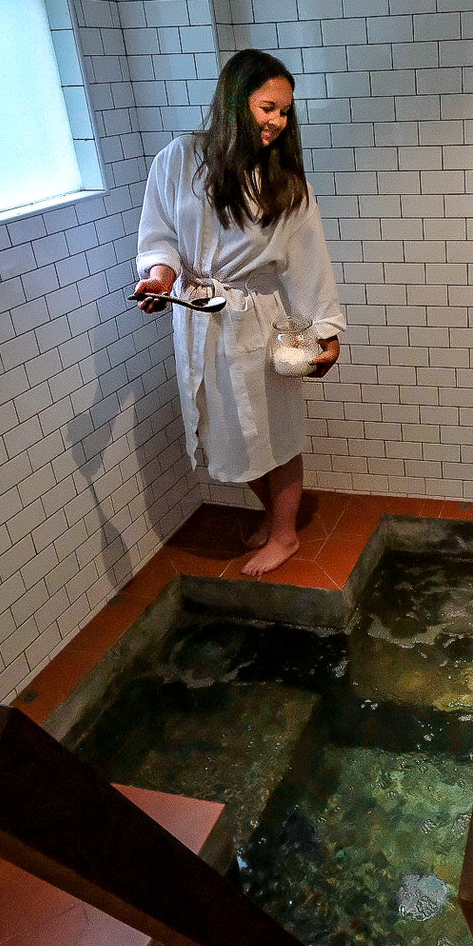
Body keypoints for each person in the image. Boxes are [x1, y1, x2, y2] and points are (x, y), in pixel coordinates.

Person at [133, 49, 344, 576]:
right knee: (222, 428)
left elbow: (311, 263)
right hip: (197, 314)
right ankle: (274, 516)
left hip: (259, 320)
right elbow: (157, 233)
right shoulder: (179, 159)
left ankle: (285, 534)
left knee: (276, 428)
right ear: (234, 100)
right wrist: (160, 276)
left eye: (285, 112)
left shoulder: (287, 186)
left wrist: (326, 333)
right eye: (267, 106)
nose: (277, 121)